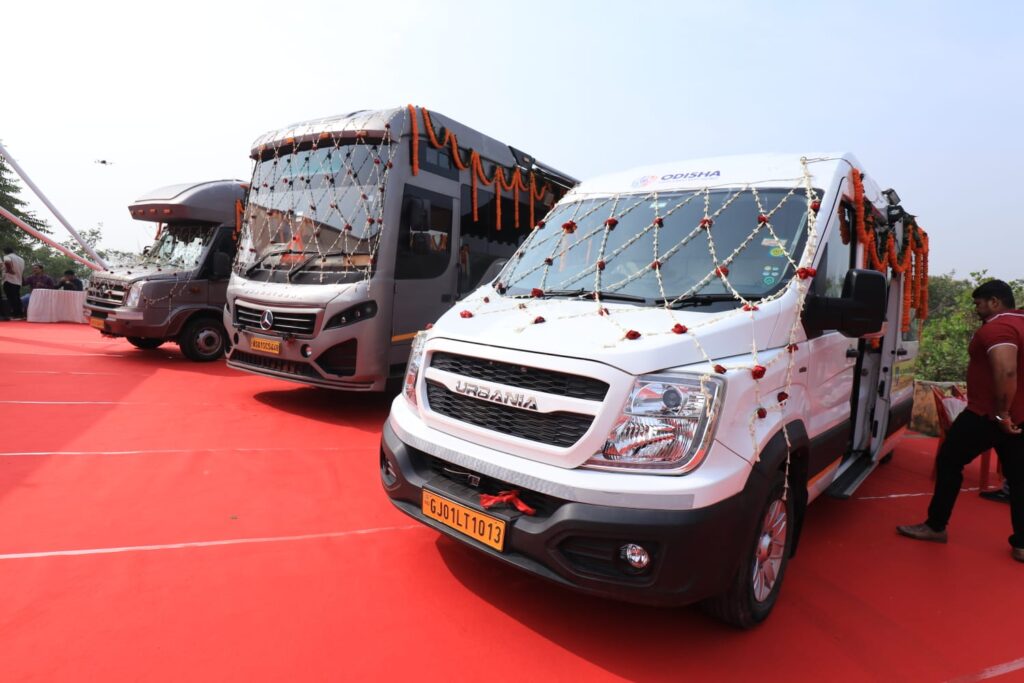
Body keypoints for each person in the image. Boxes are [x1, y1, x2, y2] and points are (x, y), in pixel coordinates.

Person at [897, 279, 1024, 563]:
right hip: (1019, 417)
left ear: (994, 302)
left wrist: (1002, 414)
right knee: (1019, 479)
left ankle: (935, 526)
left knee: (949, 461)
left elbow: (1006, 371)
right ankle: (1022, 544)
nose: (977, 309)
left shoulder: (999, 327)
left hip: (988, 415)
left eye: (979, 304)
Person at [2, 246, 26, 320]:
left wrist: (9, 270)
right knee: (17, 298)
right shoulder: (21, 259)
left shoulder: (7, 256)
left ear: (4, 252)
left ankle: (16, 315)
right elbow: (22, 271)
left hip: (9, 280)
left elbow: (7, 262)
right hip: (18, 281)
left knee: (11, 298)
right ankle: (20, 314)